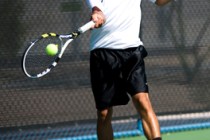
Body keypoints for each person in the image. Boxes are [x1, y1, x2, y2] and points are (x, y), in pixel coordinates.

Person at [86, 0, 173, 140]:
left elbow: (159, 1)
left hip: (132, 50)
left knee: (143, 102)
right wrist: (96, 9)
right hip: (103, 51)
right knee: (104, 113)